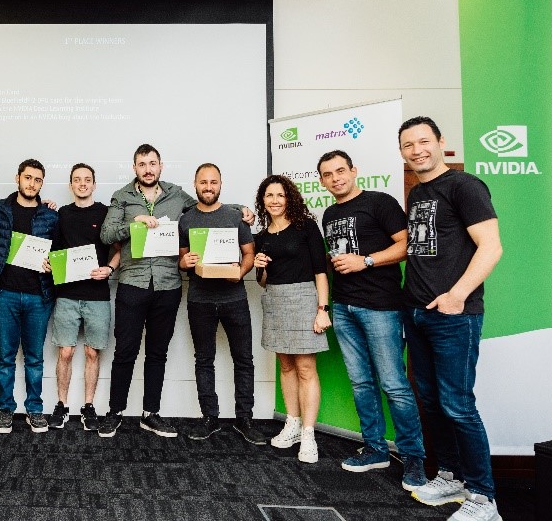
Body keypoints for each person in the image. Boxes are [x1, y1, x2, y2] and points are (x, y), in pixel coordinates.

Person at [98, 143, 254, 438]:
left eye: (153, 163)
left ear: (161, 166)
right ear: (134, 168)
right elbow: (107, 234)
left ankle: (150, 413)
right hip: (132, 282)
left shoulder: (175, 194)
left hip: (168, 285)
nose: (148, 169)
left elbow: (206, 206)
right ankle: (115, 412)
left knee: (158, 353)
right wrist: (135, 223)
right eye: (142, 164)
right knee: (125, 351)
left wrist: (239, 209)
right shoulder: (122, 197)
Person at [398, 116, 503, 521]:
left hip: (454, 316)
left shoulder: (465, 186)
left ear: (441, 142)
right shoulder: (418, 192)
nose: (417, 150)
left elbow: (491, 246)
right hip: (418, 313)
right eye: (408, 145)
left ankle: (483, 497)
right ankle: (450, 475)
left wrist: (457, 295)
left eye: (423, 141)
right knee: (431, 401)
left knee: (458, 405)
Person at [318, 150, 427, 490]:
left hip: (381, 306)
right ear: (322, 181)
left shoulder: (380, 202)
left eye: (341, 171)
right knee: (361, 383)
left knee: (393, 384)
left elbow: (407, 245)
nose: (336, 178)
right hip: (344, 307)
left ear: (354, 171)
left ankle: (413, 459)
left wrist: (365, 261)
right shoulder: (329, 214)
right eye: (328, 174)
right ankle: (376, 449)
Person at [178, 163, 266, 445]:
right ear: (195, 184)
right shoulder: (186, 219)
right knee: (204, 360)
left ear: (220, 184)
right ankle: (210, 418)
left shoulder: (234, 216)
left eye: (213, 182)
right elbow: (180, 260)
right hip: (199, 300)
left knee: (244, 360)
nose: (208, 187)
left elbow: (249, 253)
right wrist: (185, 262)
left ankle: (245, 418)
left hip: (234, 297)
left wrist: (239, 273)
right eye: (203, 182)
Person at [253, 174, 330, 463]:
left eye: (280, 195)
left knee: (306, 368)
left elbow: (320, 271)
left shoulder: (305, 227)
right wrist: (260, 267)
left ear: (290, 199)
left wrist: (322, 310)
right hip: (274, 299)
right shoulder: (261, 237)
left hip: (304, 299)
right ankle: (292, 424)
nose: (274, 200)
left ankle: (309, 434)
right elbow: (263, 282)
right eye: (269, 195)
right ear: (263, 201)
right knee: (285, 366)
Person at [0, 158, 59, 434]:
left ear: (42, 183)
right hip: (4, 293)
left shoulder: (50, 215)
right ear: (18, 178)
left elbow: (60, 250)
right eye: (28, 178)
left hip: (38, 296)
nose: (32, 184)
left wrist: (53, 263)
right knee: (5, 356)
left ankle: (35, 409)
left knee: (34, 357)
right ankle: (5, 409)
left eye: (38, 180)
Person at [47, 163, 121, 431]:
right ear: (70, 185)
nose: (82, 184)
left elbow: (119, 249)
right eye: (77, 180)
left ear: (94, 184)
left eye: (87, 179)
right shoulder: (61, 215)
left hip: (97, 295)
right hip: (66, 295)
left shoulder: (105, 213)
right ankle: (62, 405)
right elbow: (52, 252)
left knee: (92, 352)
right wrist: (48, 263)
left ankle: (88, 406)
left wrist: (110, 269)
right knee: (65, 352)